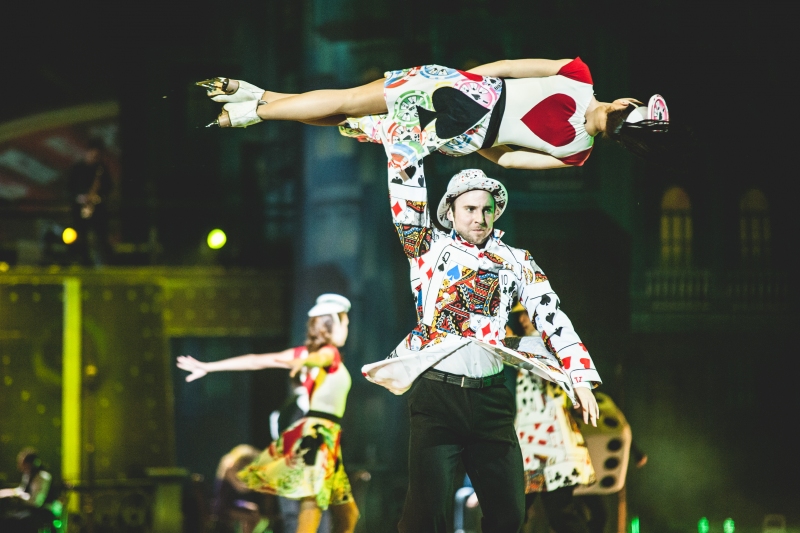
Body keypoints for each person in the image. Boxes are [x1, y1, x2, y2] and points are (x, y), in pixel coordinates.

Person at [357, 164, 602, 533]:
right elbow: (407, 202)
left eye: (487, 209)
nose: (480, 217)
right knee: (425, 517)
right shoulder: (428, 249)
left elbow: (552, 317)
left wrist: (579, 376)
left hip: (491, 403)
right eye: (470, 209)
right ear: (451, 212)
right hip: (437, 400)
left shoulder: (517, 260)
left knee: (510, 516)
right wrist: (405, 141)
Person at [198, 58, 668, 172]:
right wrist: (469, 138)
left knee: (347, 101)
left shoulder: (579, 75)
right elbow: (505, 160)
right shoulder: (576, 155)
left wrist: (461, 83)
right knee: (349, 118)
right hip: (458, 134)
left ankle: (256, 109)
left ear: (626, 106)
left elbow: (506, 67)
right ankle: (258, 100)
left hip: (463, 90)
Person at [176, 294, 359, 533]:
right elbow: (316, 358)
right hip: (318, 434)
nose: (346, 329)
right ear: (331, 325)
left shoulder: (305, 355)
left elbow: (257, 360)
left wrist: (210, 367)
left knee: (348, 514)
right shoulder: (327, 354)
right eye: (345, 324)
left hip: (326, 436)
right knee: (312, 504)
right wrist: (208, 367)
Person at [507, 302, 595, 533]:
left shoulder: (546, 343)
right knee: (516, 514)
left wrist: (508, 339)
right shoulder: (531, 343)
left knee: (556, 515)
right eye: (521, 315)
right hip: (533, 446)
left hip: (551, 444)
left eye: (526, 314)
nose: (522, 320)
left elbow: (538, 366)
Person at [66, 139, 115, 265]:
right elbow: (70, 188)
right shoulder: (77, 168)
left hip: (98, 209)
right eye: (93, 154)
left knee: (101, 236)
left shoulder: (101, 169)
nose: (94, 157)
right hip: (80, 208)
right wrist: (81, 198)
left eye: (97, 155)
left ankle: (103, 263)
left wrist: (97, 197)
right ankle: (84, 262)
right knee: (81, 236)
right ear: (87, 152)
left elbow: (108, 187)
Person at [0, 448, 54, 532]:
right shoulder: (27, 474)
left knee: (13, 521)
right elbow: (23, 490)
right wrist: (9, 492)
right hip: (30, 510)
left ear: (30, 464)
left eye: (22, 463)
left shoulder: (42, 477)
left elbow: (36, 502)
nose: (19, 466)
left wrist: (17, 495)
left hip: (43, 511)